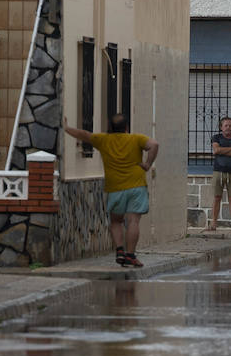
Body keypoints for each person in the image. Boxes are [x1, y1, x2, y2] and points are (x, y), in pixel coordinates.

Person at [63, 114, 159, 267]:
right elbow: (154, 144)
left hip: (115, 187)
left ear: (110, 128)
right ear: (126, 127)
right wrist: (147, 164)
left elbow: (84, 135)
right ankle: (131, 255)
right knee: (133, 220)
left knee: (116, 221)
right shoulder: (136, 139)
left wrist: (67, 128)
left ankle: (120, 250)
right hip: (137, 186)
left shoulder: (104, 140)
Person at [206, 116, 231, 232]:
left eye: (230, 125)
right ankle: (213, 224)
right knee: (217, 197)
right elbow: (216, 151)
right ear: (221, 127)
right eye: (226, 125)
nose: (228, 127)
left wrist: (223, 150)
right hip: (218, 171)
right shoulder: (216, 137)